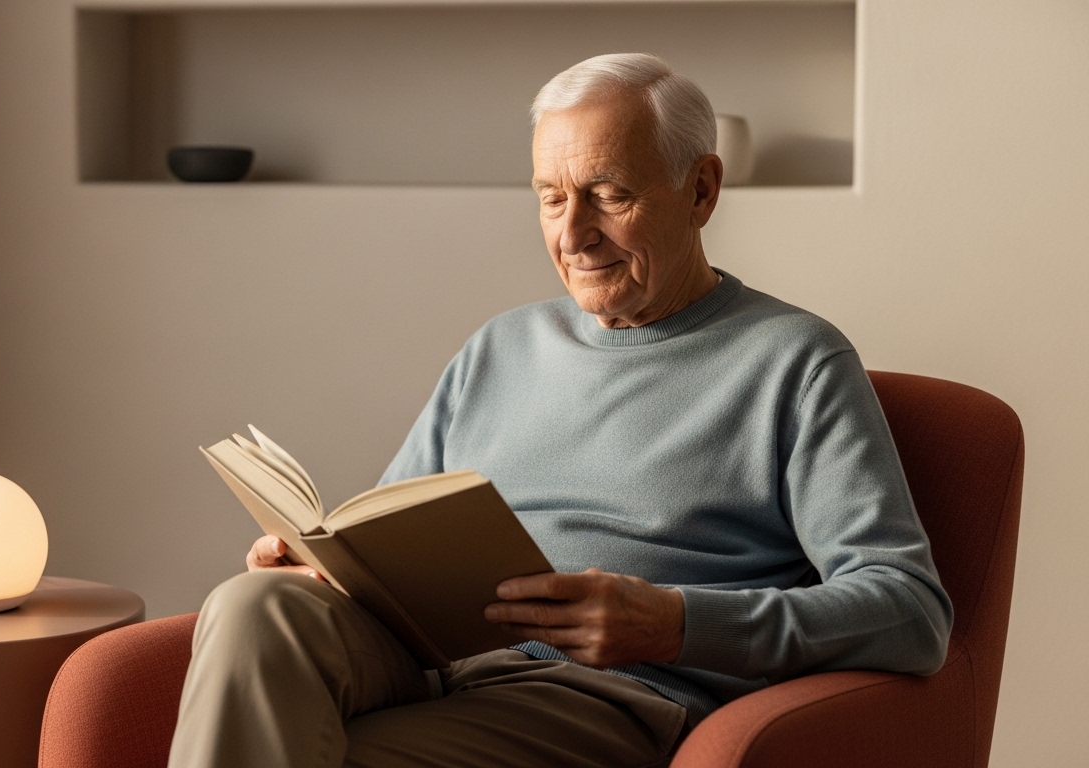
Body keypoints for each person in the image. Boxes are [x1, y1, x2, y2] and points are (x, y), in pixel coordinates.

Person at [167, 53, 953, 768]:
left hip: (607, 697)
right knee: (255, 602)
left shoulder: (795, 361)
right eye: (551, 198)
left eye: (609, 195)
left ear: (702, 190)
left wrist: (676, 623)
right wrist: (324, 568)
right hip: (438, 662)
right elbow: (386, 546)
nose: (574, 234)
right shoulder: (501, 345)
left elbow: (909, 611)